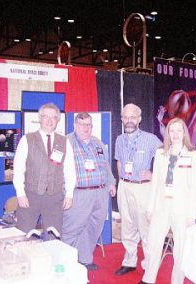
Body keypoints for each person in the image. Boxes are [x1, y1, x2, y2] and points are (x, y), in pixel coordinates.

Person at [141, 118, 196, 284]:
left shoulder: (194, 156)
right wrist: (150, 208)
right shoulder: (160, 153)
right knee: (153, 245)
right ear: (167, 133)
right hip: (161, 207)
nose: (175, 134)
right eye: (172, 130)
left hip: (182, 210)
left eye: (178, 131)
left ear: (184, 133)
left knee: (180, 250)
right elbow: (155, 184)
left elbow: (195, 187)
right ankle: (148, 279)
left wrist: (192, 214)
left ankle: (177, 281)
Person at [13, 103, 76, 239]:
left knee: (54, 236)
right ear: (39, 118)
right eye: (45, 117)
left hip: (55, 198)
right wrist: (20, 193)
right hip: (30, 196)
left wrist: (69, 194)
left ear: (58, 120)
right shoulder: (27, 140)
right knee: (25, 235)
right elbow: (18, 169)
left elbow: (70, 170)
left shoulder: (64, 142)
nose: (49, 120)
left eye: (53, 117)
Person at [62, 112, 116, 270]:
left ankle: (84, 259)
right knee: (71, 230)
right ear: (74, 125)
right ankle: (65, 263)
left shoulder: (97, 143)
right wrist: (65, 193)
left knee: (93, 228)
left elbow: (105, 165)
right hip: (79, 194)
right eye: (81, 124)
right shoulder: (65, 142)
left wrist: (111, 183)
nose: (85, 128)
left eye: (88, 125)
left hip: (100, 193)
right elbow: (56, 169)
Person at [115, 103, 162, 276]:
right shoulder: (119, 139)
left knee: (146, 229)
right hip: (124, 187)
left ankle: (149, 266)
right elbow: (119, 161)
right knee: (127, 227)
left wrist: (154, 175)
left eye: (132, 117)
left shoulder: (150, 139)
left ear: (139, 119)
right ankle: (129, 261)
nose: (129, 120)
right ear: (121, 119)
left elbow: (168, 158)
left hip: (143, 189)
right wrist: (122, 180)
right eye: (125, 117)